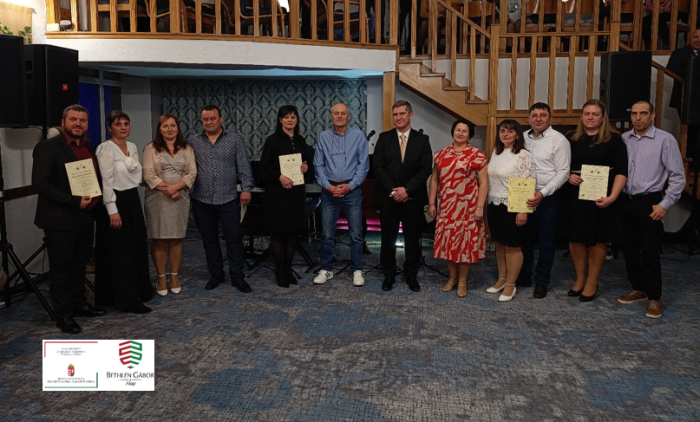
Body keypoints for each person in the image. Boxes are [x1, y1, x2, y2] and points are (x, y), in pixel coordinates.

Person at [32, 104, 106, 334]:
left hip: (85, 217)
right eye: (73, 119)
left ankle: (79, 304)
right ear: (64, 122)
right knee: (61, 268)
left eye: (82, 120)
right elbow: (41, 184)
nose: (78, 124)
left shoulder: (88, 147)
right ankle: (63, 315)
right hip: (60, 219)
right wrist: (75, 202)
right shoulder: (48, 147)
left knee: (79, 264)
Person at [619, 101, 686, 319]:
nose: (638, 118)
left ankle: (655, 297)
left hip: (650, 202)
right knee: (629, 248)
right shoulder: (624, 139)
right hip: (626, 200)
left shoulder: (665, 140)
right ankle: (638, 287)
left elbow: (678, 177)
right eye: (634, 114)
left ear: (653, 115)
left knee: (649, 251)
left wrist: (665, 204)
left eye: (643, 113)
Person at [564, 100, 628, 302]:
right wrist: (568, 176)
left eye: (595, 114)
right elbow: (560, 165)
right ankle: (580, 278)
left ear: (603, 117)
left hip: (603, 196)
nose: (590, 117)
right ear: (582, 116)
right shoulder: (571, 138)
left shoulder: (614, 140)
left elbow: (621, 172)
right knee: (576, 237)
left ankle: (592, 280)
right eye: (587, 113)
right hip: (576, 195)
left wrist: (612, 197)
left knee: (598, 237)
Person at [188, 105, 254, 293]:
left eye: (212, 118)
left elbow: (243, 165)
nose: (209, 122)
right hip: (201, 200)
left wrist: (246, 189)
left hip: (228, 199)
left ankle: (237, 276)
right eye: (205, 119)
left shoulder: (234, 139)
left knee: (234, 238)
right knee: (209, 240)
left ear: (221, 119)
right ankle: (216, 274)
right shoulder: (193, 141)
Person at [94, 110, 154, 314]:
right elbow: (106, 181)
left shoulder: (133, 147)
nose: (122, 127)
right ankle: (127, 300)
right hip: (114, 201)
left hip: (132, 199)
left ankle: (140, 291)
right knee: (122, 252)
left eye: (126, 124)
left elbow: (134, 176)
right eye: (118, 124)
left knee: (137, 246)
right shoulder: (105, 149)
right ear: (109, 127)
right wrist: (112, 209)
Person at [373, 100, 432, 292]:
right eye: (395, 114)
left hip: (413, 199)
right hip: (389, 198)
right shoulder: (384, 138)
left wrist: (406, 190)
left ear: (410, 115)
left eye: (402, 114)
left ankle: (411, 274)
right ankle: (389, 274)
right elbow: (378, 167)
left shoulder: (422, 140)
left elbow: (425, 169)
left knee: (412, 239)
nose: (398, 118)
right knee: (387, 238)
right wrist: (395, 190)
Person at [428, 118, 487, 298]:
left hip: (468, 208)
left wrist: (480, 207)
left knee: (464, 245)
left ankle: (462, 281)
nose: (460, 133)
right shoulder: (441, 154)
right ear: (453, 132)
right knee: (449, 243)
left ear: (470, 135)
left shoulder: (477, 155)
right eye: (458, 130)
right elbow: (435, 179)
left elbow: (484, 183)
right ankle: (452, 278)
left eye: (464, 131)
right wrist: (432, 202)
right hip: (446, 207)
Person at [518, 102, 571, 299]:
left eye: (542, 115)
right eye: (534, 115)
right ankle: (524, 274)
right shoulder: (522, 137)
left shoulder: (559, 140)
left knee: (546, 241)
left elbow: (563, 172)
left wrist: (543, 193)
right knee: (524, 238)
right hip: (524, 194)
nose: (538, 119)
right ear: (529, 118)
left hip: (548, 197)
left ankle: (542, 281)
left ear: (550, 118)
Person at [313, 103, 369, 287]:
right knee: (327, 234)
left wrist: (350, 186)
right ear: (331, 116)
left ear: (348, 116)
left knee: (356, 234)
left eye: (342, 113)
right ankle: (327, 268)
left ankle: (357, 269)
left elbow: (363, 165)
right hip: (329, 191)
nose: (339, 116)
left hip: (352, 190)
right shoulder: (323, 136)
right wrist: (328, 186)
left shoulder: (358, 136)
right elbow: (318, 165)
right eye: (336, 113)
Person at [142, 114, 197, 296]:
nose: (169, 129)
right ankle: (161, 277)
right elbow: (148, 174)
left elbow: (192, 173)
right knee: (159, 239)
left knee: (176, 238)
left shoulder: (187, 148)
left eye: (173, 125)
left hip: (180, 198)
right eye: (165, 126)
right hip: (157, 199)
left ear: (178, 128)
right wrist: (168, 190)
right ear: (160, 129)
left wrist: (176, 188)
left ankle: (174, 276)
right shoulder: (151, 148)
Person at [259, 105, 310, 288]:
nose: (290, 120)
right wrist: (279, 176)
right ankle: (279, 270)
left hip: (295, 194)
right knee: (278, 233)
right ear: (280, 120)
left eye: (293, 117)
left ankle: (288, 268)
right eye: (286, 117)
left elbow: (305, 164)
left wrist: (305, 167)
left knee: (292, 233)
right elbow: (264, 170)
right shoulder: (272, 141)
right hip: (277, 195)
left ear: (297, 120)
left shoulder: (301, 140)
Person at [486, 119, 534, 302]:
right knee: (500, 244)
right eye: (503, 130)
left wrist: (523, 211)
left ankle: (511, 285)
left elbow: (528, 183)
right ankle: (502, 279)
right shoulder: (496, 152)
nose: (505, 134)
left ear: (517, 135)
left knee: (513, 247)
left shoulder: (523, 155)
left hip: (513, 207)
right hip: (494, 204)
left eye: (510, 131)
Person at [667, 28, 700, 169]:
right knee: (690, 132)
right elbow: (671, 69)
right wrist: (693, 75)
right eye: (696, 37)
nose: (698, 40)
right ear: (690, 38)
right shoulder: (679, 53)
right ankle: (690, 166)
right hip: (684, 99)